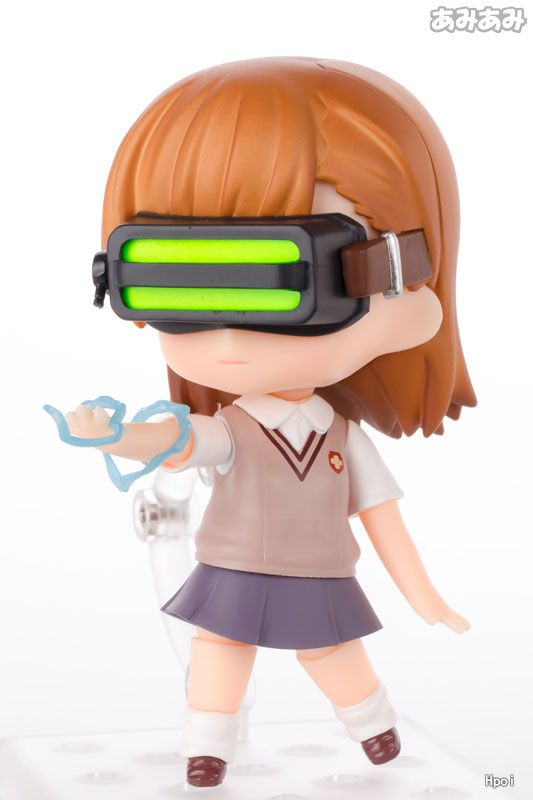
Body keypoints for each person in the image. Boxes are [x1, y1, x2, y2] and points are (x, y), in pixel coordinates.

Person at [58, 58, 475, 788]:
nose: (228, 337)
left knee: (331, 651)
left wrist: (421, 593)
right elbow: (179, 439)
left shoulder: (341, 437)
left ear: (401, 282)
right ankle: (207, 746)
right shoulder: (236, 427)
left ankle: (373, 725)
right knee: (219, 649)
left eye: (287, 282)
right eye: (171, 281)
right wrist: (114, 436)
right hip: (233, 566)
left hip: (320, 567)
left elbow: (381, 515)